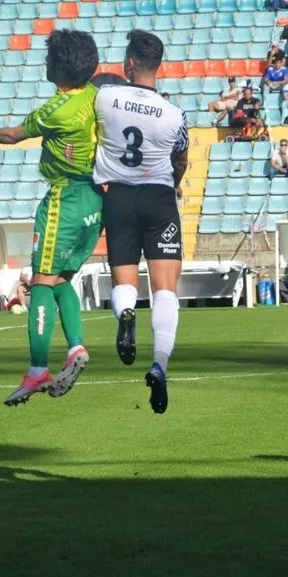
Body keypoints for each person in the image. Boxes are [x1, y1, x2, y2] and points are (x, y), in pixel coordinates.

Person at [0, 29, 102, 406]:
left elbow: (11, 135)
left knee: (40, 282)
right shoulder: (96, 96)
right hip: (94, 199)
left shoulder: (55, 111)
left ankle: (38, 368)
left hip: (64, 199)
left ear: (59, 66)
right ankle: (75, 347)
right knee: (61, 279)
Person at [94, 30, 188, 415]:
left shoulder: (105, 97)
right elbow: (180, 160)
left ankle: (126, 314)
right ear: (158, 65)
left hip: (117, 196)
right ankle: (160, 363)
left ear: (129, 64)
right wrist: (172, 187)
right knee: (166, 289)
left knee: (125, 282)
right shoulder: (175, 114)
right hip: (158, 198)